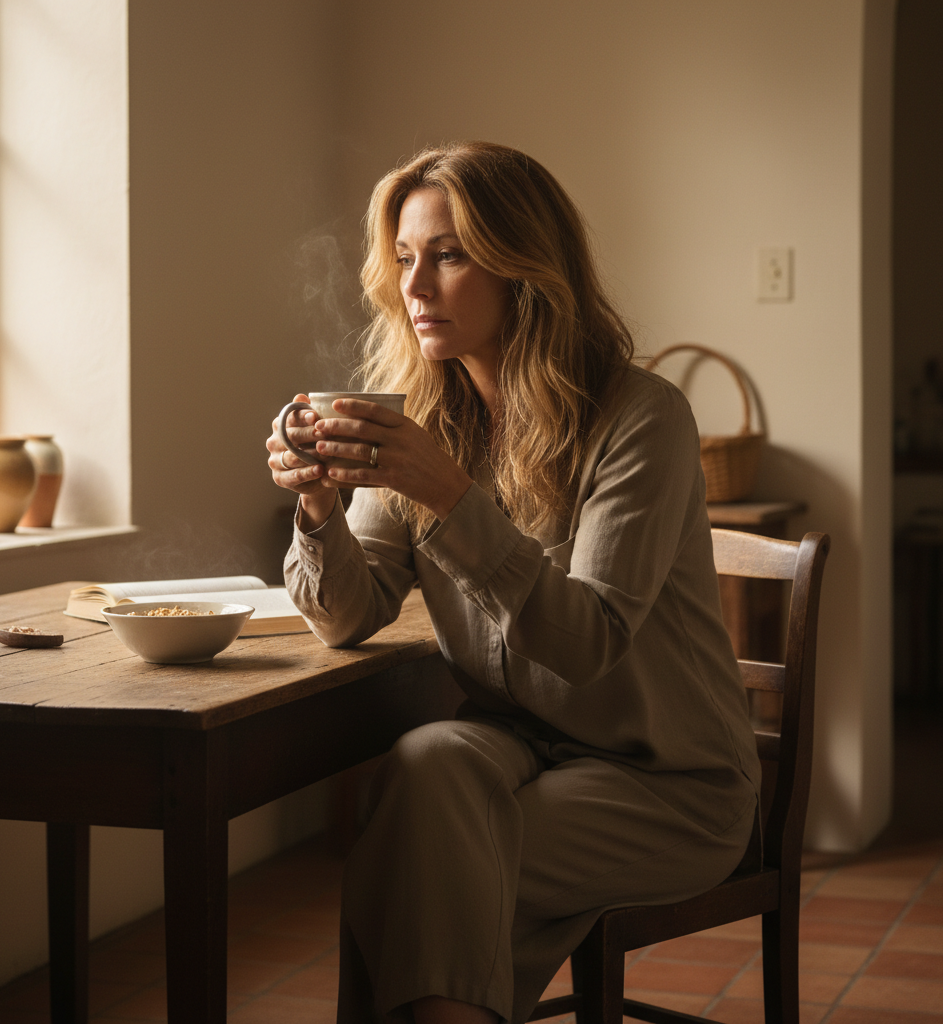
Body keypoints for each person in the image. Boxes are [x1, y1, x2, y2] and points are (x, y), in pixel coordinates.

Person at [266, 142, 760, 1024]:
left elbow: (588, 642)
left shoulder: (641, 419)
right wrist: (317, 506)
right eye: (407, 259)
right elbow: (348, 618)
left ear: (526, 267)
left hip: (666, 780)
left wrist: (446, 493)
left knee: (415, 860)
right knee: (425, 764)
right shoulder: (420, 416)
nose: (416, 287)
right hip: (518, 746)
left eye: (449, 255)